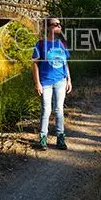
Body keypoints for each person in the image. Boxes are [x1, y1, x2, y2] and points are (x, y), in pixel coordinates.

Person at [32, 17, 73, 151]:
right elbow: (35, 65)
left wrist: (69, 80)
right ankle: (43, 138)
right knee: (46, 110)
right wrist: (37, 83)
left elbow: (65, 63)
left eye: (60, 24)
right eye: (56, 24)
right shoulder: (40, 44)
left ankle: (60, 138)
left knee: (59, 110)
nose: (59, 26)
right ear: (48, 28)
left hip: (60, 81)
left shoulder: (62, 44)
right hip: (45, 82)